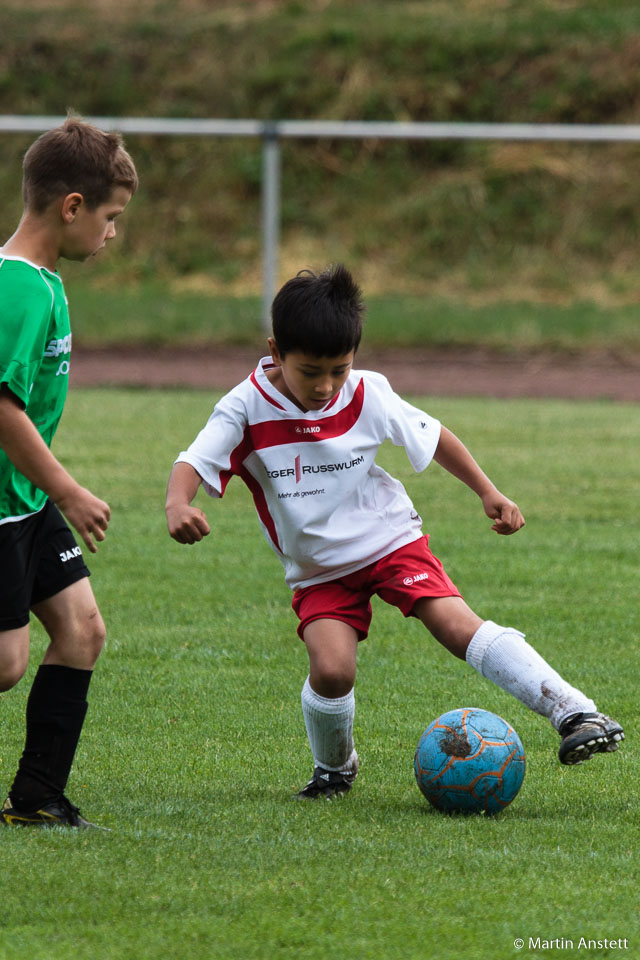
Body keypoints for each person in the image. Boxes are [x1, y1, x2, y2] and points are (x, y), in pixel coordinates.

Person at [165, 264, 624, 799]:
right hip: (318, 571)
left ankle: (575, 712)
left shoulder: (367, 393)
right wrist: (179, 502)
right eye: (310, 370)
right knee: (332, 671)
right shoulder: (243, 407)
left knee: (455, 625)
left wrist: (488, 491)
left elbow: (435, 437)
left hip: (390, 542)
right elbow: (194, 460)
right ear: (275, 350)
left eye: (339, 369)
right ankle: (334, 769)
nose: (326, 386)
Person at [0, 117, 138, 827]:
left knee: (81, 630)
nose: (112, 233)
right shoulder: (17, 288)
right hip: (3, 506)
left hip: (22, 501)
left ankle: (38, 799)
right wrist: (69, 489)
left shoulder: (45, 282)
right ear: (72, 207)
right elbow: (0, 408)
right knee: (4, 665)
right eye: (110, 217)